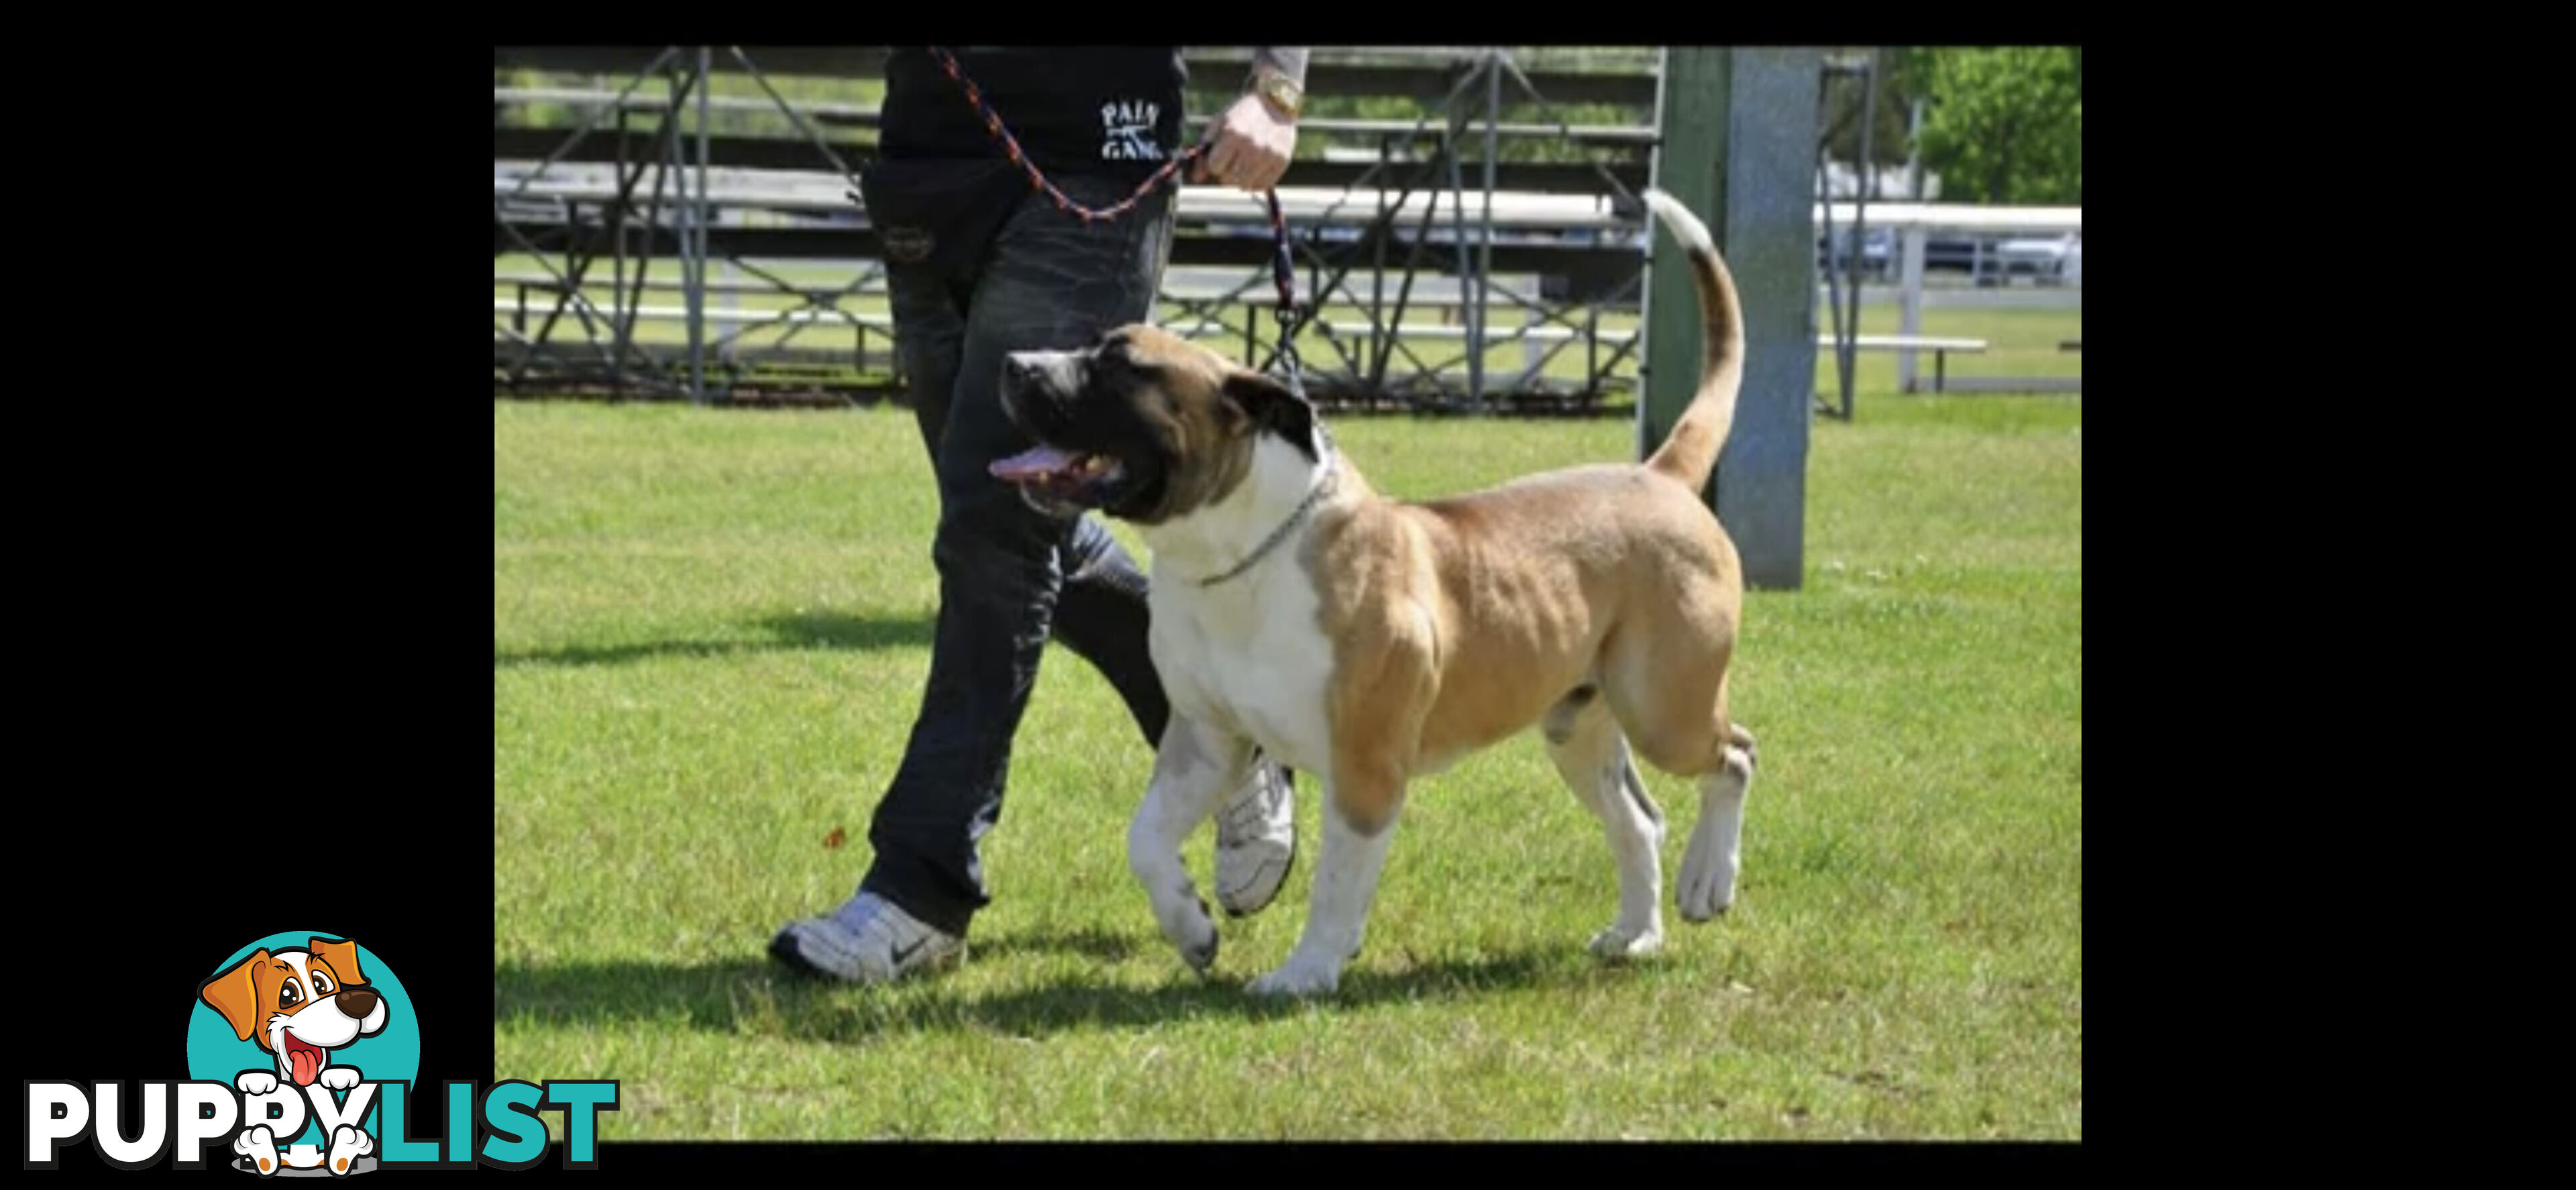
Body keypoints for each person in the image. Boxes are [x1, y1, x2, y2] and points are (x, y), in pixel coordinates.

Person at [771, 46, 1311, 983]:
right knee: (1020, 510)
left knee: (997, 529)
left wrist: (1277, 88)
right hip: (930, 158)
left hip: (1095, 156)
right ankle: (1226, 730)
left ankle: (921, 885)